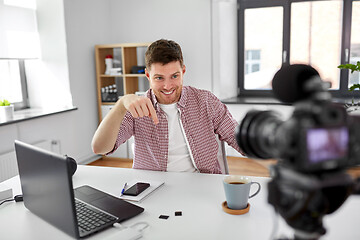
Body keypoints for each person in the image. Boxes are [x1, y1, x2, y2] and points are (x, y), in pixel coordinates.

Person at [91, 39, 242, 174]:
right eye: (159, 78)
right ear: (148, 75)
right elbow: (100, 148)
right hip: (154, 186)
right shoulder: (138, 107)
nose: (168, 86)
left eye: (174, 76)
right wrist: (121, 105)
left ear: (183, 71)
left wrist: (262, 142)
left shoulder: (205, 101)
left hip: (202, 182)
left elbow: (237, 137)